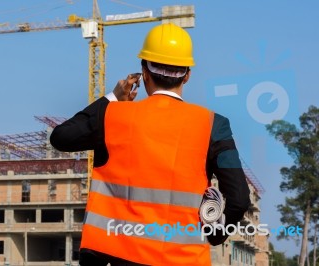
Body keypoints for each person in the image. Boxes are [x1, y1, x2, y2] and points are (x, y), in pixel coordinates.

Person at [50, 23, 251, 266]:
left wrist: (112, 98)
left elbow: (61, 137)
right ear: (187, 74)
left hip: (113, 256)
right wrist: (216, 234)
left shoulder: (113, 115)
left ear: (144, 72)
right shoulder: (213, 125)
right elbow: (239, 198)